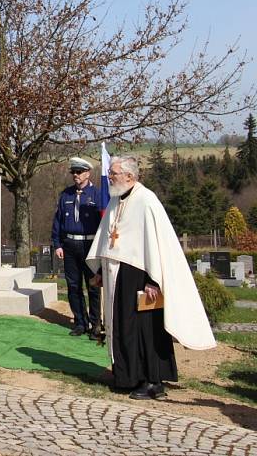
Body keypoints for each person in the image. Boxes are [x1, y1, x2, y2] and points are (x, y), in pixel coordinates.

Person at [86, 155, 215, 400]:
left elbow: (158, 245)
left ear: (130, 176)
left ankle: (153, 381)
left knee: (145, 329)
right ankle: (127, 376)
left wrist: (153, 281)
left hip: (142, 277)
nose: (109, 177)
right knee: (123, 326)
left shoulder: (147, 201)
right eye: (110, 173)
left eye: (113, 173)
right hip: (118, 275)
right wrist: (102, 271)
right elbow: (109, 239)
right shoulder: (117, 200)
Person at [51, 157, 102, 338]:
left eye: (79, 172)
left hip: (90, 245)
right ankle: (80, 322)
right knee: (73, 286)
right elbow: (58, 221)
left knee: (93, 286)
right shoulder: (66, 195)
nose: (75, 175)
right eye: (73, 172)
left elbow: (104, 222)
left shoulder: (97, 195)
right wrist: (57, 243)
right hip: (70, 245)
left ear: (88, 173)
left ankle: (96, 324)